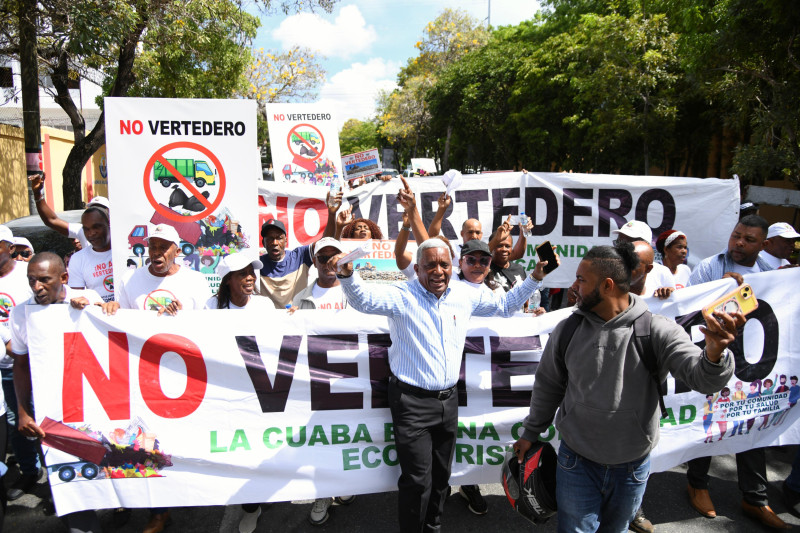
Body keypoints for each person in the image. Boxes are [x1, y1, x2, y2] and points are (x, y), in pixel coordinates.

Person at [513, 242, 740, 533]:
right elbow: (548, 387)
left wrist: (714, 354)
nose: (575, 286)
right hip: (576, 463)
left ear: (607, 285)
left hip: (632, 467)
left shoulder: (658, 330)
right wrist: (531, 433)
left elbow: (703, 379)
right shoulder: (568, 330)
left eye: (582, 280)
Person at [334, 238, 557, 532]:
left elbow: (504, 305)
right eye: (430, 265)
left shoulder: (464, 294)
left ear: (452, 266)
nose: (438, 271)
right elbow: (364, 300)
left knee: (442, 477)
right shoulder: (402, 295)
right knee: (417, 481)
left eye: (444, 264)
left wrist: (535, 278)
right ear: (417, 268)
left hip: (448, 401)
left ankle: (434, 526)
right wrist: (347, 275)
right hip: (410, 403)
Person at [106, 224, 211, 533]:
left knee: (183, 441)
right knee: (150, 444)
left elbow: (211, 329)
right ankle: (159, 511)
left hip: (185, 377)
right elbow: (119, 328)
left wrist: (185, 318)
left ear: (177, 250)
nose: (156, 251)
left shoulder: (195, 282)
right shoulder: (130, 280)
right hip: (144, 378)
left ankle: (187, 492)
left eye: (164, 246)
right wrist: (110, 309)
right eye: (152, 244)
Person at [685, 214, 787, 528]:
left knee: (750, 424)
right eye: (736, 235)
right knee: (711, 420)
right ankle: (697, 484)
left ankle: (755, 499)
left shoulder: (770, 274)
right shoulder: (709, 268)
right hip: (712, 361)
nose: (739, 243)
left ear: (764, 245)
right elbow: (687, 314)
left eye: (749, 239)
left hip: (753, 368)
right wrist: (725, 292)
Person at [9, 252, 104, 532]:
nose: (36, 287)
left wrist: (96, 309)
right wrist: (24, 413)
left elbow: (116, 328)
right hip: (52, 413)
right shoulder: (21, 313)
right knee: (65, 477)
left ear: (64, 278)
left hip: (96, 407)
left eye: (44, 280)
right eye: (31, 280)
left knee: (111, 466)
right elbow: (21, 365)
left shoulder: (88, 297)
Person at [289, 237, 356, 524]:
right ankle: (321, 495)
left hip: (350, 381)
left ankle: (343, 485)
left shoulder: (356, 293)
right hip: (315, 385)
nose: (329, 261)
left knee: (348, 439)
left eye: (334, 256)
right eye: (322, 256)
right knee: (321, 443)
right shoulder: (300, 298)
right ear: (314, 261)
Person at [203, 254, 271, 533]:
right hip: (226, 391)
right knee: (238, 449)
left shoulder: (265, 305)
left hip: (260, 391)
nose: (250, 278)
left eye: (252, 273)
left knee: (260, 445)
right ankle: (250, 506)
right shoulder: (210, 307)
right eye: (242, 274)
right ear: (228, 280)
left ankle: (256, 499)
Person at [0, 225, 37, 503]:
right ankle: (28, 471)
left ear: (10, 248)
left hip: (32, 362)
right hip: (5, 368)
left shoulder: (26, 278)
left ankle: (59, 479)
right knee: (16, 422)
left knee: (46, 420)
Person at [259, 192, 339, 309]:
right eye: (270, 239)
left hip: (299, 318)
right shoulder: (257, 265)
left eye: (279, 238)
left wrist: (332, 214)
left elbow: (325, 242)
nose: (274, 243)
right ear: (263, 243)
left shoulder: (300, 256)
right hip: (272, 323)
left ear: (286, 241)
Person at [29, 172, 109, 250]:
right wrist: (37, 195)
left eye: (101, 209)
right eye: (92, 209)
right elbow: (51, 220)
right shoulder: (80, 230)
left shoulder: (118, 231)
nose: (91, 233)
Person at [612, 220, 675, 297]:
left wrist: (668, 293)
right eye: (619, 242)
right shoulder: (609, 269)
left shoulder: (662, 273)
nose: (621, 247)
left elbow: (673, 302)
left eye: (627, 244)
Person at [67, 203, 114, 302]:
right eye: (86, 229)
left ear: (109, 223)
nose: (91, 233)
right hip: (99, 315)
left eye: (96, 227)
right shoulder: (77, 259)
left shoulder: (125, 251)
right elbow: (77, 298)